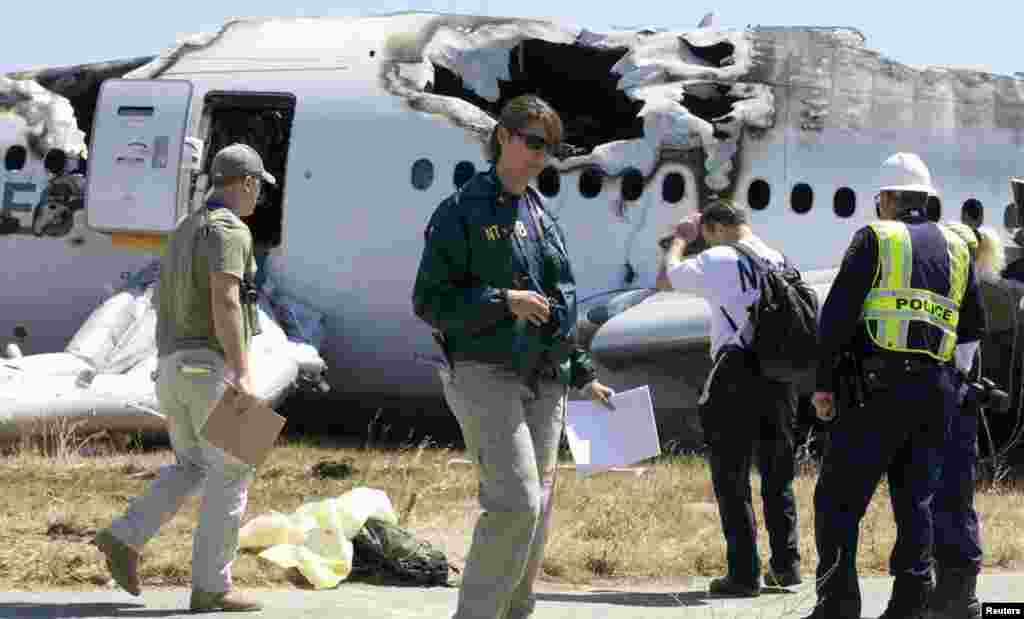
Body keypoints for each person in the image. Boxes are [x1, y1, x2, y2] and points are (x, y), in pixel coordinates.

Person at [412, 94, 615, 619]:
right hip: (485, 370)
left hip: (543, 377)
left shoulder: (540, 214)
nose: (539, 156)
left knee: (538, 507)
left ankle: (514, 611)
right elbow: (429, 302)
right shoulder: (461, 211)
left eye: (548, 148)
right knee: (516, 500)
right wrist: (503, 302)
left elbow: (560, 300)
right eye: (531, 142)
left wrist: (580, 371)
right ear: (502, 137)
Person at [93, 143, 275, 613]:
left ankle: (125, 536)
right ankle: (212, 586)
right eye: (260, 188)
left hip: (172, 368)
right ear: (249, 183)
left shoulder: (182, 229)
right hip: (210, 368)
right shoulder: (231, 230)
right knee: (234, 472)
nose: (260, 199)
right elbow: (226, 300)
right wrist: (243, 371)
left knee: (193, 465)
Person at [807, 153, 986, 619]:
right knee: (916, 504)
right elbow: (970, 329)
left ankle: (838, 605)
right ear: (926, 199)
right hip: (937, 393)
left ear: (885, 198)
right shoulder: (958, 246)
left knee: (837, 502)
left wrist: (824, 386)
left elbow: (837, 316)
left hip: (874, 392)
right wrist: (955, 384)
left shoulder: (876, 237)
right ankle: (910, 604)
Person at [656, 198, 801, 596]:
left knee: (731, 475)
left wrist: (681, 241)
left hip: (736, 375)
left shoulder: (720, 257)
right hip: (780, 376)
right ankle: (787, 566)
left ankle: (743, 573)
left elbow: (666, 280)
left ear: (715, 228)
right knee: (777, 474)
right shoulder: (779, 258)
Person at [930, 219, 988, 619]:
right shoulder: (968, 298)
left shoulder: (964, 301)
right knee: (949, 502)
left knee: (949, 501)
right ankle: (955, 594)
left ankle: (957, 596)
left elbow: (958, 365)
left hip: (953, 411)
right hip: (955, 410)